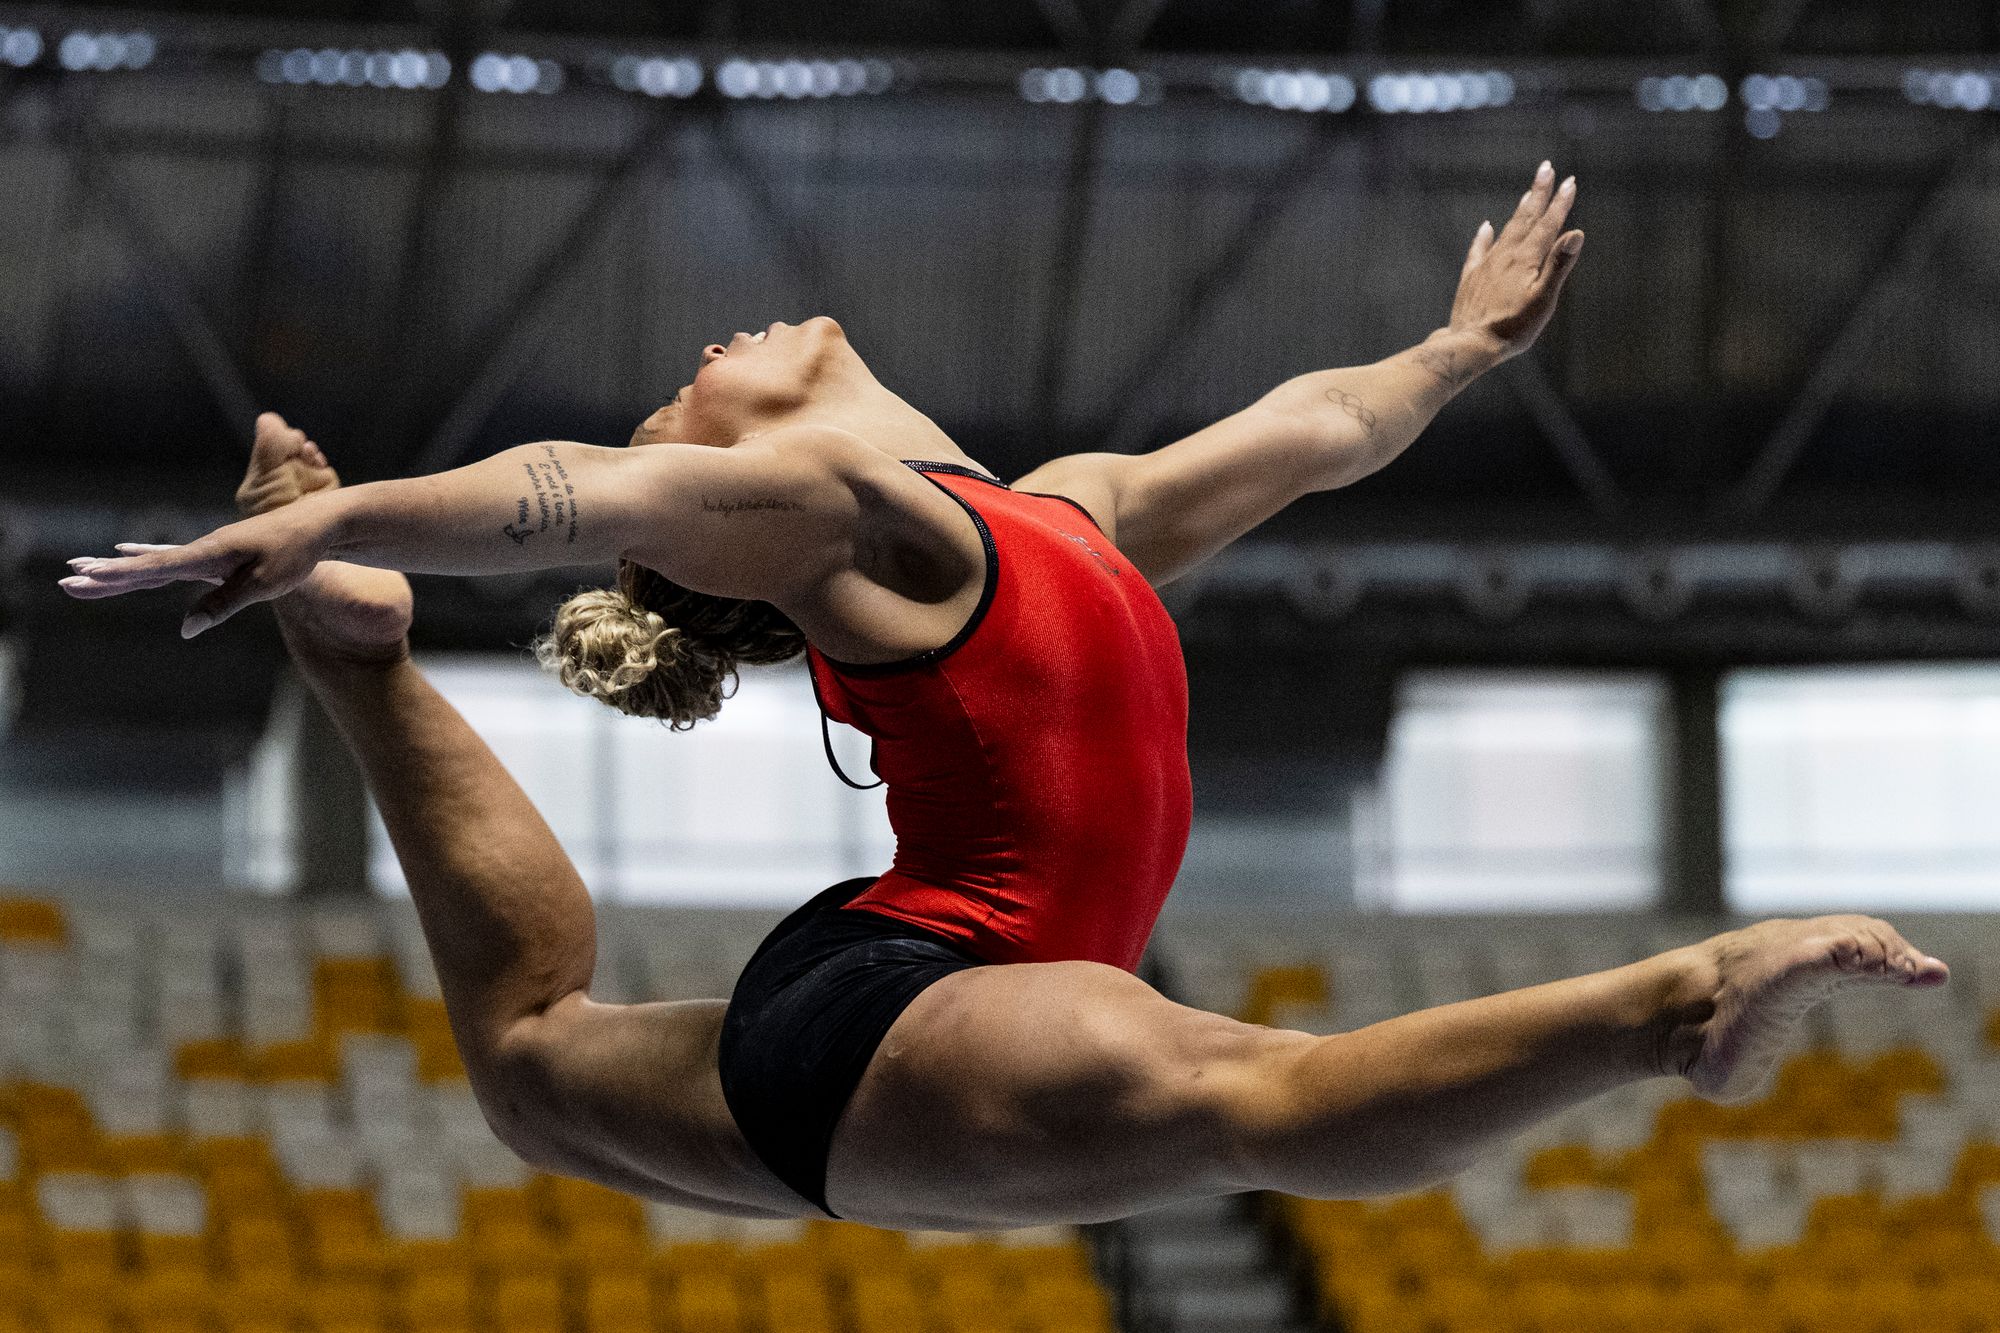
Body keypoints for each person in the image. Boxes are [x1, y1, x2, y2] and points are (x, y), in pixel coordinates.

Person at [61, 164, 1948, 1229]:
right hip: (937, 991)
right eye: (685, 380)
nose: (706, 353)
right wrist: (351, 522)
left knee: (537, 1065)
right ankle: (1673, 1001)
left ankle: (361, 672)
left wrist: (1454, 351)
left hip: (913, 985)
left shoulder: (1061, 517)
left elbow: (1306, 433)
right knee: (1253, 1099)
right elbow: (576, 487)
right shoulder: (844, 520)